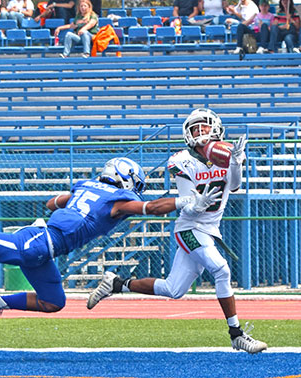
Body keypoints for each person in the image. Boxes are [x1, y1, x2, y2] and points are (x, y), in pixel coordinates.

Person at [0, 157, 213, 336]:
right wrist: (189, 200)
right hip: (39, 243)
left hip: (45, 245)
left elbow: (51, 202)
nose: (136, 193)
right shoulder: (119, 201)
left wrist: (73, 204)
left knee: (52, 302)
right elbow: (152, 208)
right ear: (126, 180)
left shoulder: (85, 186)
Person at [87, 108, 268, 355]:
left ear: (215, 128)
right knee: (221, 269)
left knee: (174, 289)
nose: (199, 132)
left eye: (203, 127)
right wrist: (197, 204)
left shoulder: (225, 156)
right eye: (195, 128)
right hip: (190, 227)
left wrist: (236, 162)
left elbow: (234, 186)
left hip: (210, 229)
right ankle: (236, 334)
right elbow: (187, 204)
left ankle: (117, 284)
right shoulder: (182, 160)